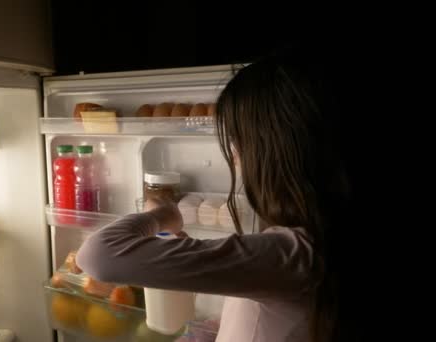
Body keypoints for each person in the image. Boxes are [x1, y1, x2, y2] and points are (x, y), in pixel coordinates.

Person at [76, 54, 350, 342]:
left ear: (272, 153)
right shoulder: (313, 248)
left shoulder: (293, 254)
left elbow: (97, 255)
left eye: (238, 141)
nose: (234, 157)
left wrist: (161, 215)